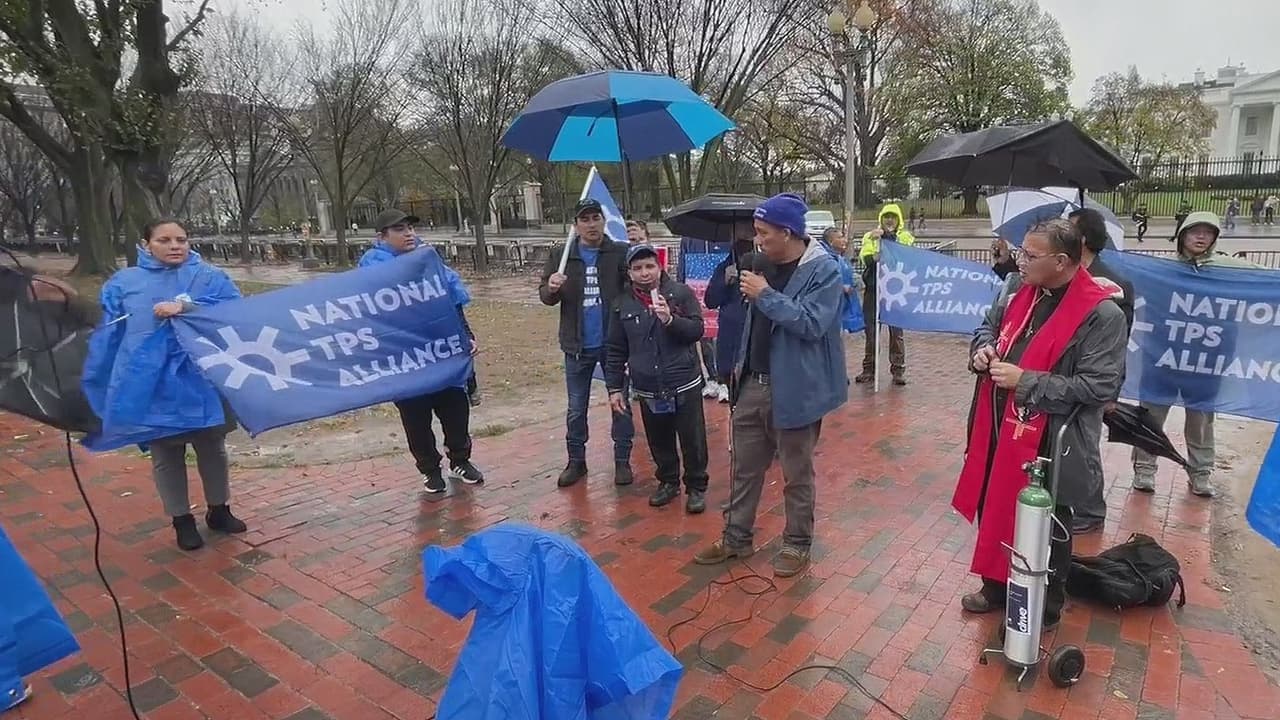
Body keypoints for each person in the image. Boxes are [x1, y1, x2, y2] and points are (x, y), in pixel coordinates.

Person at [955, 219, 1127, 628]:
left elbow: (1099, 385)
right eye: (1021, 252)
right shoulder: (1018, 291)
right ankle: (995, 585)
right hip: (997, 420)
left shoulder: (1102, 313)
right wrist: (983, 349)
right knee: (993, 502)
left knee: (1047, 521)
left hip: (1053, 436)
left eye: (1031, 255)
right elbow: (987, 327)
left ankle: (1044, 605)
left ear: (1062, 261)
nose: (1020, 261)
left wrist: (1025, 382)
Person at [694, 193, 848, 578]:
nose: (757, 239)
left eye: (763, 232)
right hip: (751, 384)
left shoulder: (823, 270)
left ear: (788, 231)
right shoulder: (758, 264)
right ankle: (736, 537)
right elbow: (748, 323)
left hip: (795, 386)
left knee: (796, 473)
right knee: (744, 468)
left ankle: (797, 542)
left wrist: (765, 294)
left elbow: (812, 324)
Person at [89, 219, 247, 550]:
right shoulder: (124, 284)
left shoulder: (210, 277)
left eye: (181, 239)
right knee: (166, 453)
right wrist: (105, 380)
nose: (175, 245)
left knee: (212, 448)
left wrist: (187, 308)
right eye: (164, 240)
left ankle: (219, 510)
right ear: (146, 244)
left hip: (203, 380)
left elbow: (237, 313)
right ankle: (181, 520)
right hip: (152, 384)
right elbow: (110, 336)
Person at [1132, 212, 1263, 498]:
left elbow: (1264, 283)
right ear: (1182, 235)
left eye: (1208, 232)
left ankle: (1200, 473)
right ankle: (1144, 469)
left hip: (1206, 361)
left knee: (1201, 420)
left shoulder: (1229, 269)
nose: (1201, 237)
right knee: (1150, 415)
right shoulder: (1162, 269)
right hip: (1161, 357)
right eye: (1195, 231)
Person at [358, 208, 484, 493]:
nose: (409, 233)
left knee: (455, 410)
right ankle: (429, 469)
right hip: (405, 359)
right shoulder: (371, 269)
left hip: (441, 352)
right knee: (416, 419)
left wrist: (466, 335)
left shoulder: (428, 260)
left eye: (410, 228)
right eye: (400, 229)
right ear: (382, 237)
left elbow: (451, 301)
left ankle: (460, 460)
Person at [605, 244, 708, 512]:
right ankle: (668, 482)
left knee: (692, 439)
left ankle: (696, 487)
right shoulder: (622, 304)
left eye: (649, 266)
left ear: (660, 267)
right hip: (648, 386)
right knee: (658, 439)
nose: (644, 273)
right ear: (629, 273)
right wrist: (614, 388)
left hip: (683, 380)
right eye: (637, 268)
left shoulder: (679, 294)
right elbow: (616, 348)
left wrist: (670, 319)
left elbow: (697, 329)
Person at [539, 199, 635, 487]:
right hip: (577, 344)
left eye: (596, 218)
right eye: (585, 219)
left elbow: (633, 291)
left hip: (614, 344)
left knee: (620, 403)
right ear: (576, 225)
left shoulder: (619, 252)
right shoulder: (562, 254)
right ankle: (576, 461)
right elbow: (545, 295)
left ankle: (622, 461)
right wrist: (552, 288)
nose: (591, 224)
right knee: (576, 407)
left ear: (604, 222)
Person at [857, 203, 914, 385]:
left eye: (893, 216)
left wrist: (888, 239)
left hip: (895, 292)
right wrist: (876, 250)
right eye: (886, 216)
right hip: (874, 290)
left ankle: (898, 370)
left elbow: (905, 257)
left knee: (896, 332)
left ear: (899, 220)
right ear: (881, 218)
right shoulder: (870, 236)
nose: (889, 220)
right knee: (871, 331)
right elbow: (866, 258)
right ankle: (869, 369)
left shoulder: (905, 237)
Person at [703, 225, 754, 404]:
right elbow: (710, 300)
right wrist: (724, 282)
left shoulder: (763, 266)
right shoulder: (725, 267)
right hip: (730, 335)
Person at [821, 227, 862, 336]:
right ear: (831, 241)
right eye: (840, 237)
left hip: (842, 307)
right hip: (831, 310)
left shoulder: (840, 258)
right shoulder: (825, 259)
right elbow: (823, 282)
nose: (844, 240)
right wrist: (842, 287)